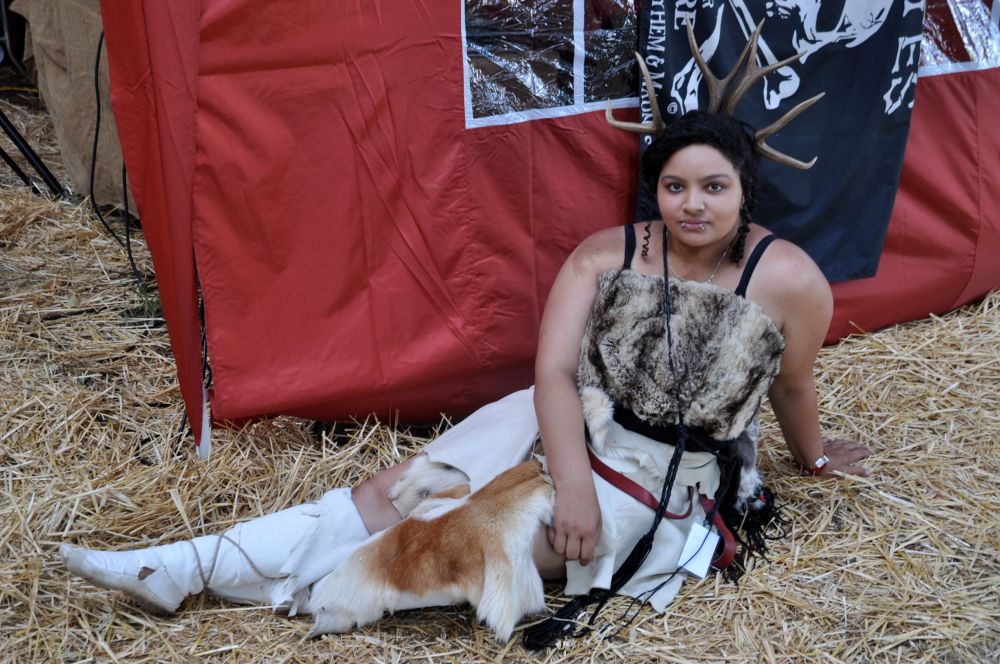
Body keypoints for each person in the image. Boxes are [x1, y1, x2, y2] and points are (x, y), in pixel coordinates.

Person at [60, 110, 872, 641]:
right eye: (675, 186)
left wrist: (817, 454)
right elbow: (553, 371)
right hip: (567, 416)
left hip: (668, 468)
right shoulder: (606, 253)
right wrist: (573, 479)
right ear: (655, 189)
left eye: (714, 188)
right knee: (401, 488)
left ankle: (274, 584)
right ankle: (178, 568)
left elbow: (790, 385)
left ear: (744, 191)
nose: (693, 205)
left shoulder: (789, 278)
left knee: (477, 537)